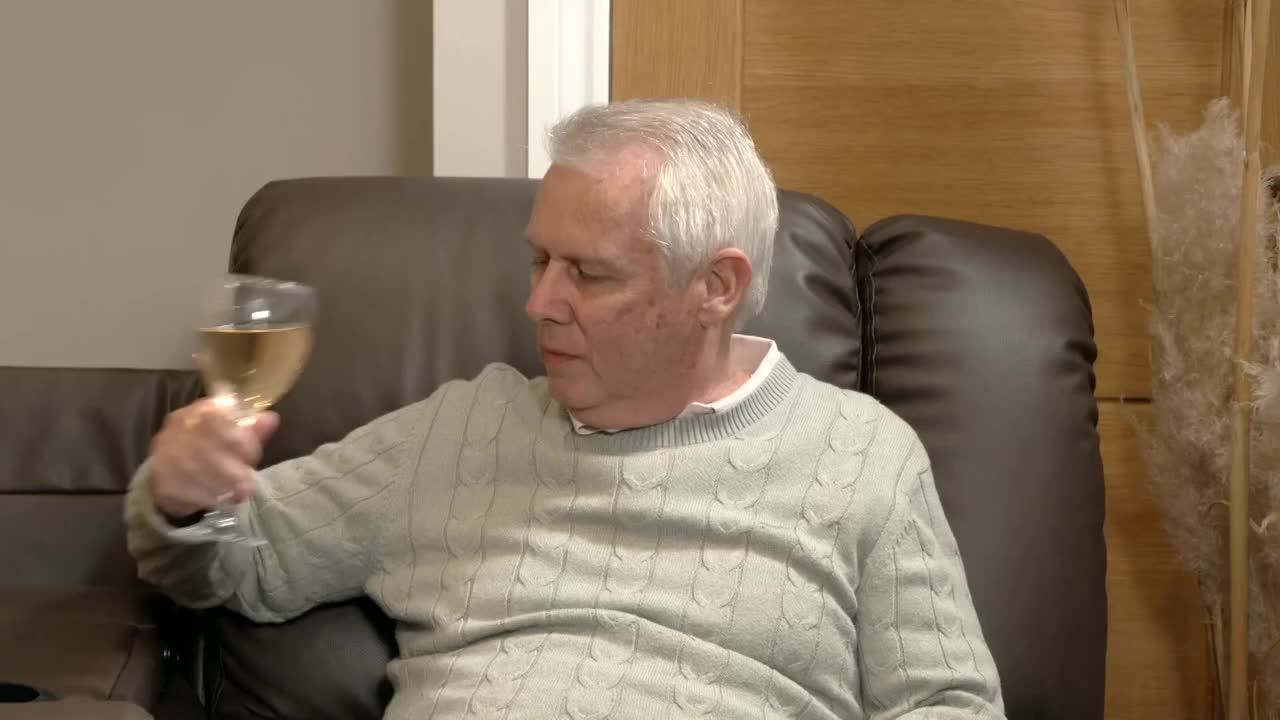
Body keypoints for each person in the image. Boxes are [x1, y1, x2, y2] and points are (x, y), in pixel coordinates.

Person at [126, 98, 1005, 719]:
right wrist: (183, 495)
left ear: (716, 286)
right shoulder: (458, 431)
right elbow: (237, 561)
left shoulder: (861, 455)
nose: (539, 304)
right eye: (539, 261)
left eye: (587, 273)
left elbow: (948, 704)